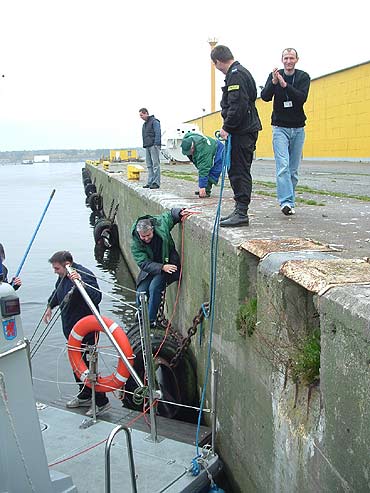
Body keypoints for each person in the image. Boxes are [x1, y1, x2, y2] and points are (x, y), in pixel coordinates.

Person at [43, 251, 110, 417]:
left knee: (88, 366)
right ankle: (84, 395)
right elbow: (57, 293)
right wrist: (49, 307)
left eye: (57, 268)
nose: (55, 271)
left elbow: (97, 297)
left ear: (67, 264)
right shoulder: (62, 277)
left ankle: (102, 402)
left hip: (86, 331)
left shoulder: (84, 274)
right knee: (75, 364)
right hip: (71, 330)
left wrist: (81, 283)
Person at [210, 45, 262, 227]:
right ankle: (239, 209)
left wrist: (227, 127)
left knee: (239, 170)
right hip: (244, 129)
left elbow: (237, 105)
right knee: (237, 170)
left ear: (217, 62)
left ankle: (241, 212)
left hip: (242, 131)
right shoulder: (240, 72)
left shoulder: (236, 75)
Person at [261, 48, 310, 216]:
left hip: (298, 128)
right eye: (285, 58)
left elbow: (301, 98)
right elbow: (265, 96)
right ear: (281, 60)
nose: (288, 61)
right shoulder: (274, 75)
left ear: (297, 59)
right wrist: (274, 82)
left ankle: (290, 199)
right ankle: (286, 202)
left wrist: (284, 85)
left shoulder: (303, 77)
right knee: (283, 166)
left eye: (291, 58)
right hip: (280, 128)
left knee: (293, 170)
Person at [131, 208, 191, 326]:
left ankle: (151, 320)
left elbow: (169, 216)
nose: (146, 238)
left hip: (168, 264)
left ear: (152, 229)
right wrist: (162, 267)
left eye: (148, 235)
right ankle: (141, 313)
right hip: (151, 268)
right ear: (139, 234)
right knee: (140, 292)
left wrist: (179, 213)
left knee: (154, 288)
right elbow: (143, 263)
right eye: (143, 237)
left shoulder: (160, 225)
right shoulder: (135, 244)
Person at [181, 131, 224, 198]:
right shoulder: (187, 139)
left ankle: (206, 190)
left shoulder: (204, 151)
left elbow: (204, 169)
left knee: (213, 171)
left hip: (218, 150)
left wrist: (202, 186)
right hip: (208, 149)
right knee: (203, 169)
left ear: (192, 147)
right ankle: (204, 188)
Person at [139, 107, 162, 189]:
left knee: (155, 164)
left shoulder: (154, 121)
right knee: (149, 165)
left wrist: (157, 144)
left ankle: (156, 182)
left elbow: (158, 132)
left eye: (141, 115)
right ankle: (150, 181)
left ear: (146, 113)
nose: (140, 117)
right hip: (147, 146)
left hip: (154, 145)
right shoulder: (144, 124)